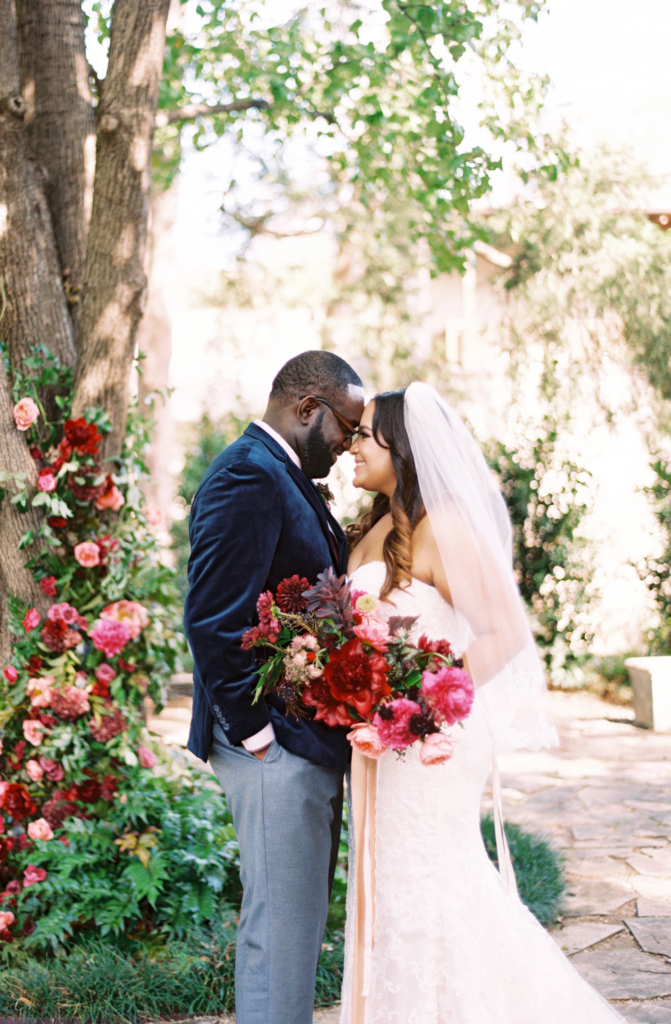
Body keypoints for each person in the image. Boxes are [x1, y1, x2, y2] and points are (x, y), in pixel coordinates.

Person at [340, 383, 627, 1024]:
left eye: (363, 435)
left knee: (431, 889)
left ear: (402, 447)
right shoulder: (378, 526)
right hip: (382, 744)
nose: (351, 447)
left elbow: (503, 631)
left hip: (428, 741)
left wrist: (416, 707)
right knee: (393, 894)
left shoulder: (443, 525)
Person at [184, 350, 365, 1024]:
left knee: (296, 930)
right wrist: (258, 738)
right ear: (306, 409)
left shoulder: (281, 477)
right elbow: (212, 618)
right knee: (279, 936)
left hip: (297, 743)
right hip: (270, 747)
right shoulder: (247, 475)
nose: (348, 445)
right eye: (344, 428)